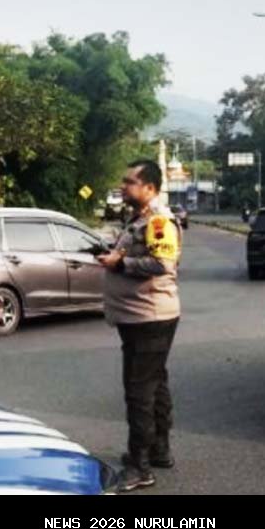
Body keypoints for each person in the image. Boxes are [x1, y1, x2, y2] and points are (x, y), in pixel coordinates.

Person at [96, 159, 182, 492]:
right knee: (155, 384)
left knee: (139, 391)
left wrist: (120, 263)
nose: (123, 186)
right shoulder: (140, 218)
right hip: (139, 316)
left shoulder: (159, 221)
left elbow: (162, 264)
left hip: (149, 317)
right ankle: (159, 450)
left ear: (149, 187)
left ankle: (140, 466)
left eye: (129, 181)